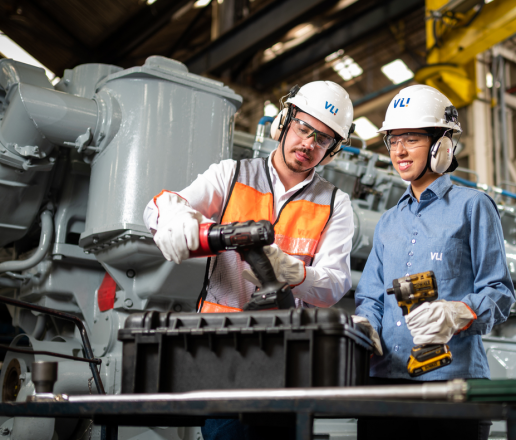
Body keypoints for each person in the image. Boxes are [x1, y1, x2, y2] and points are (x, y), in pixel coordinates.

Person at [143, 81, 357, 439]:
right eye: (304, 128)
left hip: (287, 360)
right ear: (284, 121)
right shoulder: (231, 174)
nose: (308, 144)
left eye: (322, 139)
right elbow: (160, 205)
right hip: (219, 350)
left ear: (332, 151)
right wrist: (173, 216)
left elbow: (334, 284)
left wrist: (292, 271)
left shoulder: (336, 204)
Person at [353, 85, 516, 440]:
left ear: (442, 145)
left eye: (410, 138)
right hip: (385, 385)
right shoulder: (388, 222)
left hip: (452, 384)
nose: (399, 151)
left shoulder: (473, 207)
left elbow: (500, 293)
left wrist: (458, 313)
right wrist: (364, 327)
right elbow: (370, 297)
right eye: (393, 140)